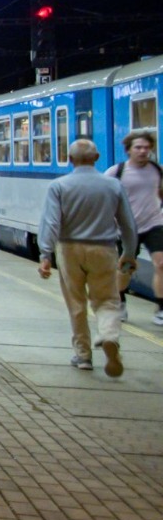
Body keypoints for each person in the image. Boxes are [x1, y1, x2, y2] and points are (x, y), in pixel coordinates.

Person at [39, 138, 137, 376]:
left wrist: (45, 254)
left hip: (69, 250)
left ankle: (83, 355)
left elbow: (51, 222)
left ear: (70, 160)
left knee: (76, 304)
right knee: (107, 300)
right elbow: (128, 224)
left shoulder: (59, 186)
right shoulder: (113, 185)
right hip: (104, 249)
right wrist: (129, 253)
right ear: (97, 158)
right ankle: (109, 335)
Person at [105, 129, 163, 326]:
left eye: (146, 148)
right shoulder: (116, 172)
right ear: (129, 150)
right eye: (138, 147)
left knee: (161, 264)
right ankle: (119, 300)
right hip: (127, 229)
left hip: (154, 225)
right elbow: (105, 198)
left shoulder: (157, 170)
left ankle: (161, 308)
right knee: (126, 268)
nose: (143, 151)